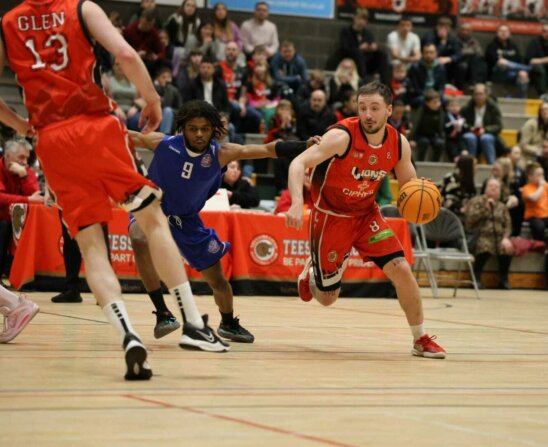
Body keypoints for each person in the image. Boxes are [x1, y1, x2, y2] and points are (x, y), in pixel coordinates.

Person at [1, 0, 227, 380]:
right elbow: (124, 53)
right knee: (152, 218)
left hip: (52, 142)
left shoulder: (7, 22)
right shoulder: (80, 8)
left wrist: (20, 124)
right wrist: (153, 100)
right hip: (96, 127)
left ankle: (128, 334)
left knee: (92, 246)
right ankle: (191, 321)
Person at [129, 100, 318, 342]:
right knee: (138, 237)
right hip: (153, 209)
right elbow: (129, 135)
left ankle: (228, 323)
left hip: (187, 220)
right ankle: (163, 313)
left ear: (213, 130)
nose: (198, 134)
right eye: (192, 128)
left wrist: (304, 145)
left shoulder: (221, 153)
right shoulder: (163, 144)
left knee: (218, 280)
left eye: (204, 128)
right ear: (182, 128)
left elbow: (266, 149)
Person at [284, 81, 446, 359]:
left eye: (374, 108)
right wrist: (298, 203)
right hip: (331, 217)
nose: (367, 114)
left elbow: (409, 187)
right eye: (362, 108)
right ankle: (312, 272)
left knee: (402, 268)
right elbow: (297, 163)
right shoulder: (341, 137)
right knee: (326, 299)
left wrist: (421, 196)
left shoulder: (398, 143)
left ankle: (420, 338)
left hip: (366, 215)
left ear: (389, 110)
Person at [0, 140, 42, 276]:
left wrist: (24, 176)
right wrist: (27, 200)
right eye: (21, 157)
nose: (24, 162)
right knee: (4, 224)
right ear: (7, 157)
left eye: (27, 158)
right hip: (4, 217)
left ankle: (23, 275)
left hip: (18, 218)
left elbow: (37, 196)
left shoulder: (25, 171)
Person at [464, 178, 514, 290]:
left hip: (499, 237)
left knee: (507, 248)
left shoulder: (502, 206)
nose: (494, 188)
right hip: (481, 235)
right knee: (484, 246)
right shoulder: (477, 201)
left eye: (497, 187)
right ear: (485, 188)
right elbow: (470, 220)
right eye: (491, 186)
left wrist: (506, 238)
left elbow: (508, 224)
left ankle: (504, 279)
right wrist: (485, 210)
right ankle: (476, 278)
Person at [461, 83, 503, 164]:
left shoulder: (493, 108)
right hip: (471, 133)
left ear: (486, 95)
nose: (478, 97)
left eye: (481, 94)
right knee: (470, 137)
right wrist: (470, 128)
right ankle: (470, 164)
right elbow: (462, 123)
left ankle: (491, 164)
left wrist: (485, 130)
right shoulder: (467, 108)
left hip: (487, 134)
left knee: (486, 138)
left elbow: (498, 126)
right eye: (476, 94)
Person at [485, 24, 531, 98]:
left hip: (512, 73)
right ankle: (529, 68)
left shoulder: (514, 46)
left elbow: (518, 60)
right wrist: (505, 63)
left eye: (506, 31)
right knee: (501, 62)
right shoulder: (492, 46)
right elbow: (493, 61)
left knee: (523, 74)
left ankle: (521, 100)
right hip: (497, 73)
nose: (503, 33)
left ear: (509, 34)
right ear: (497, 33)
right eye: (501, 31)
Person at [409, 89, 445, 162]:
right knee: (424, 142)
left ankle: (435, 163)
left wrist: (441, 137)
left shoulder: (440, 111)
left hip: (433, 135)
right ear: (427, 103)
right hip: (421, 135)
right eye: (435, 102)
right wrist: (411, 139)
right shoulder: (421, 111)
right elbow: (415, 126)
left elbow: (440, 127)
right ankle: (420, 162)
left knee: (440, 143)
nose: (438, 104)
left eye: (438, 101)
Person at [441, 154, 477, 221]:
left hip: (464, 216)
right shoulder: (451, 180)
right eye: (474, 166)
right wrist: (461, 209)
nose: (476, 168)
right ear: (468, 167)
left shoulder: (469, 180)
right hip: (448, 217)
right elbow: (447, 202)